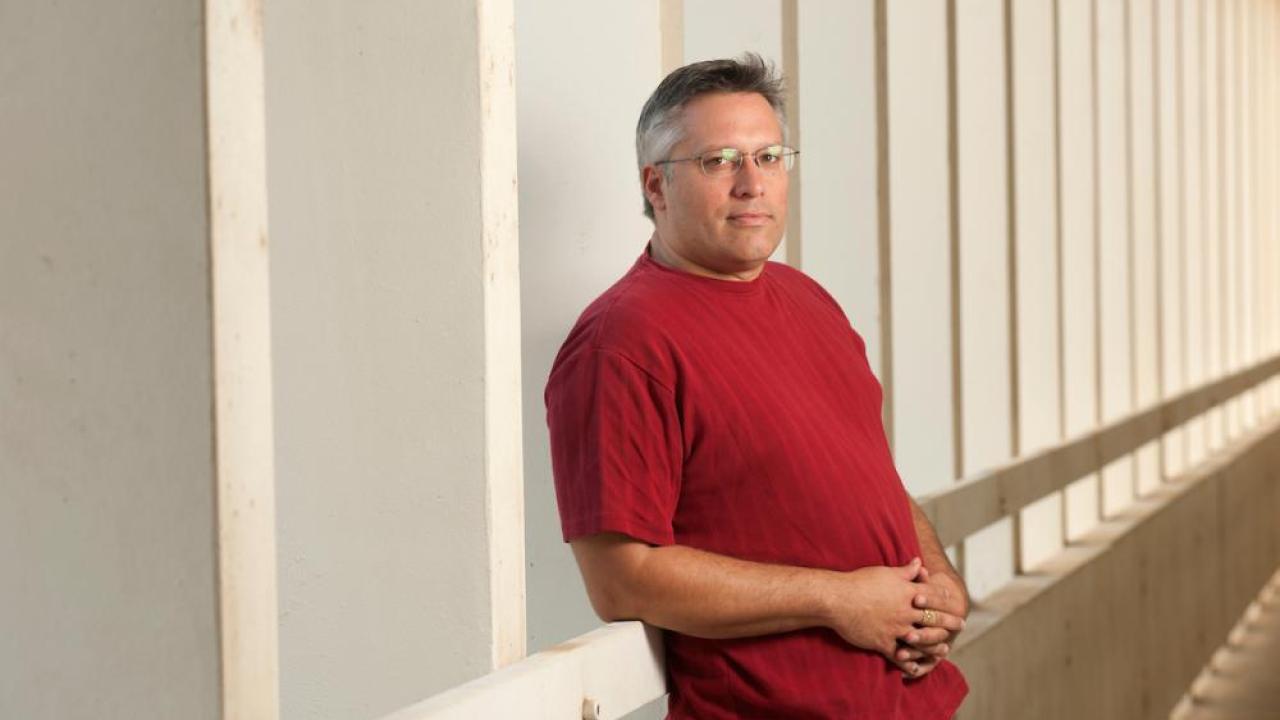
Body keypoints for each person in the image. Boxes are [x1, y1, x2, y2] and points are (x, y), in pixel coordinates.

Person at [544, 53, 970, 719]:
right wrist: (837, 599)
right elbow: (623, 579)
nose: (752, 183)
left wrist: (939, 578)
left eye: (769, 156)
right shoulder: (623, 341)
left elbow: (872, 479)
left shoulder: (809, 301)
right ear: (656, 186)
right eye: (718, 161)